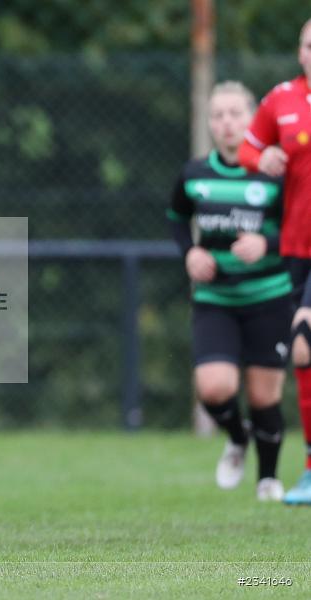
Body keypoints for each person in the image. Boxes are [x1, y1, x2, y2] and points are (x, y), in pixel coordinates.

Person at [168, 81, 288, 501]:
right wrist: (190, 254)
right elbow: (177, 218)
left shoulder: (273, 173)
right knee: (215, 388)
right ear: (209, 123)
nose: (227, 122)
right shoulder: (195, 173)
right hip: (215, 299)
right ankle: (237, 439)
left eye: (236, 113)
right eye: (218, 115)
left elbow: (298, 229)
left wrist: (267, 244)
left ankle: (268, 480)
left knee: (263, 395)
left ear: (253, 118)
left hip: (269, 295)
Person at [239, 18, 311, 505]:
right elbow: (249, 147)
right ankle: (308, 467)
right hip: (296, 248)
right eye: (309, 44)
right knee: (304, 355)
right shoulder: (282, 99)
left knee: (304, 340)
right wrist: (259, 161)